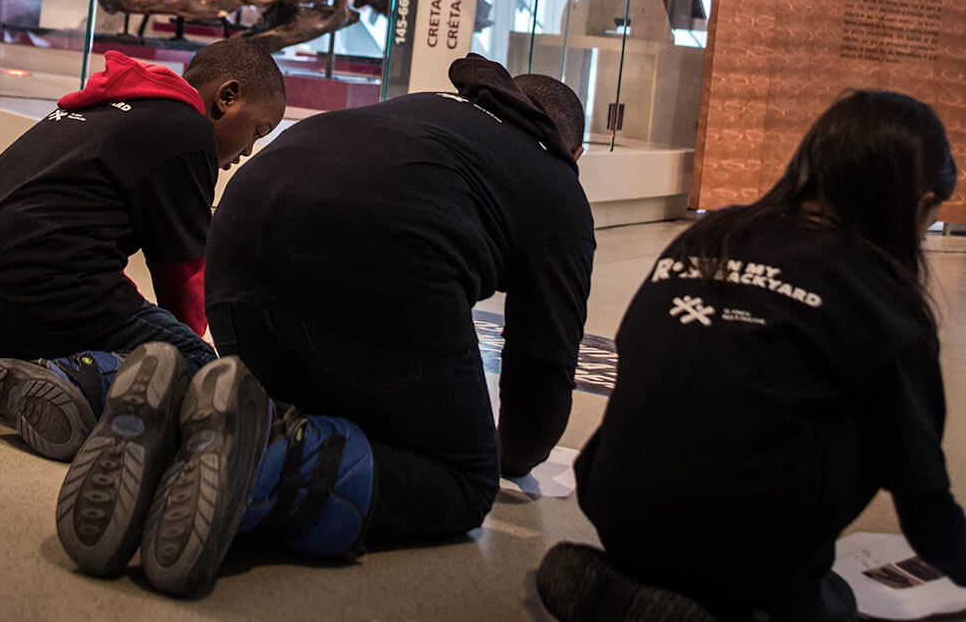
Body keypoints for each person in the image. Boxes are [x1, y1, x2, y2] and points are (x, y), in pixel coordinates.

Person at [51, 54, 595, 597]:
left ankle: (107, 393)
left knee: (265, 413)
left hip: (237, 240)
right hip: (377, 260)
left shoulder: (429, 108)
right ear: (575, 153)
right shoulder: (557, 182)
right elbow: (542, 368)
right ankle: (265, 469)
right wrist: (514, 455)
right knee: (461, 483)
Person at [538, 89, 966, 622]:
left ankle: (621, 592)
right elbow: (919, 486)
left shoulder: (709, 236)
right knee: (837, 593)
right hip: (749, 556)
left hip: (618, 520)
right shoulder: (880, 300)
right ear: (919, 202)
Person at [0, 38, 287, 461]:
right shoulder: (189, 131)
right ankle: (75, 380)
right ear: (227, 97)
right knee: (202, 370)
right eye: (257, 131)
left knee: (76, 302)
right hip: (28, 285)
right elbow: (184, 277)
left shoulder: (116, 102)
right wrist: (178, 349)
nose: (248, 150)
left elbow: (74, 230)